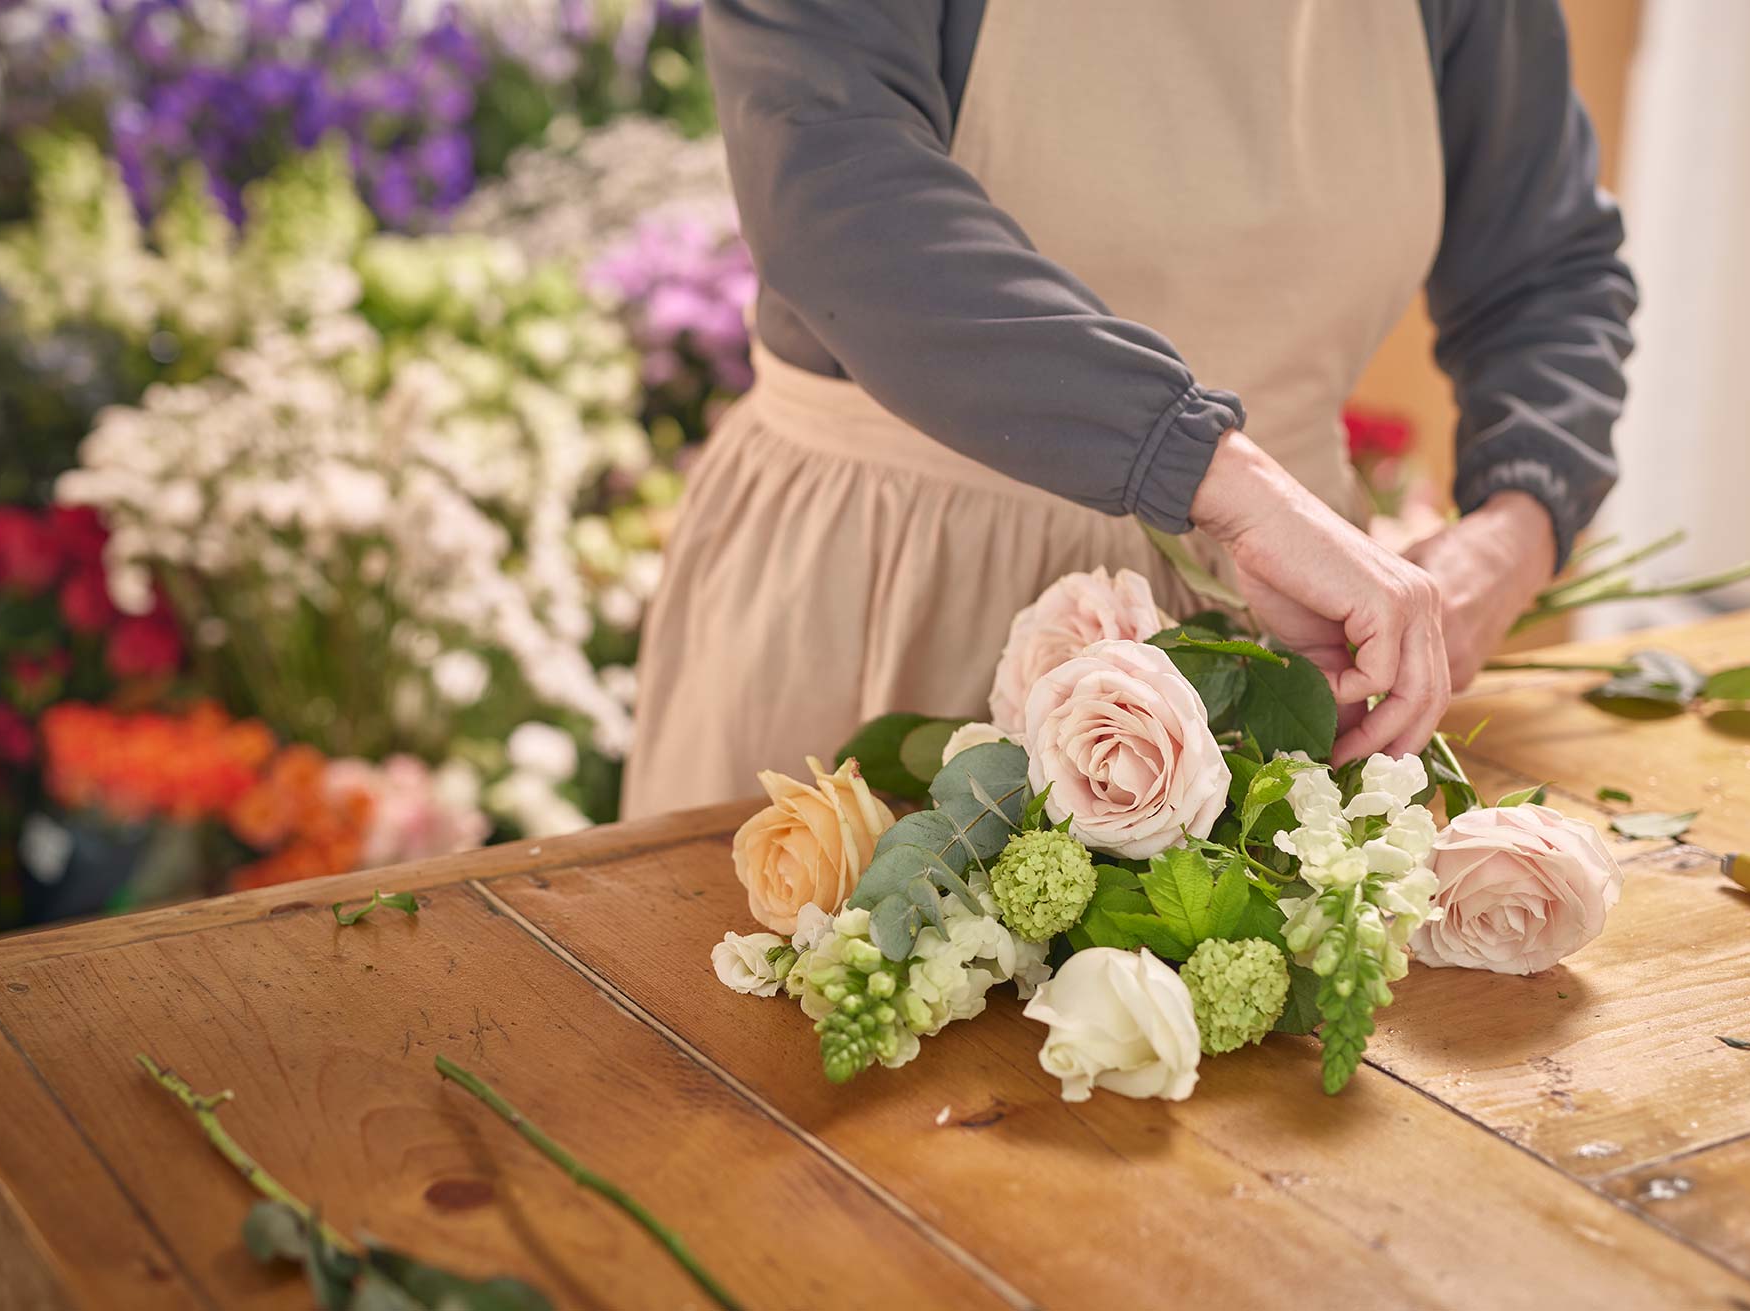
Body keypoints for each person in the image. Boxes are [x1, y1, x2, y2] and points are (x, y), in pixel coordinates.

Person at [622, 0, 1636, 819]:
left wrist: (1508, 541)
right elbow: (836, 192)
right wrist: (1216, 476)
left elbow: (1543, 270)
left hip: (1287, 634)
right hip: (897, 589)